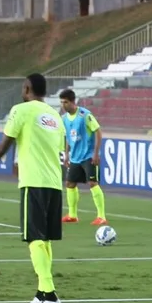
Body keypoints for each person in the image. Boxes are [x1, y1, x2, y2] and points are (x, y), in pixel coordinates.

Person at [0, 74, 67, 303]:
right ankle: (42, 291)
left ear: (27, 88)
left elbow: (4, 144)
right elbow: (61, 150)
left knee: (34, 238)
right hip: (53, 183)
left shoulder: (21, 110)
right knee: (44, 239)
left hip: (34, 182)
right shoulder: (55, 116)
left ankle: (49, 294)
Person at [58, 89, 109, 225]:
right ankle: (72, 215)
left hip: (88, 156)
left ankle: (101, 216)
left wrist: (96, 153)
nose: (63, 105)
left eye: (66, 102)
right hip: (75, 157)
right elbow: (69, 137)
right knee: (70, 183)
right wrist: (67, 154)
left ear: (73, 102)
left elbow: (98, 132)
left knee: (92, 183)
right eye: (62, 102)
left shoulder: (84, 115)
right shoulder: (64, 119)